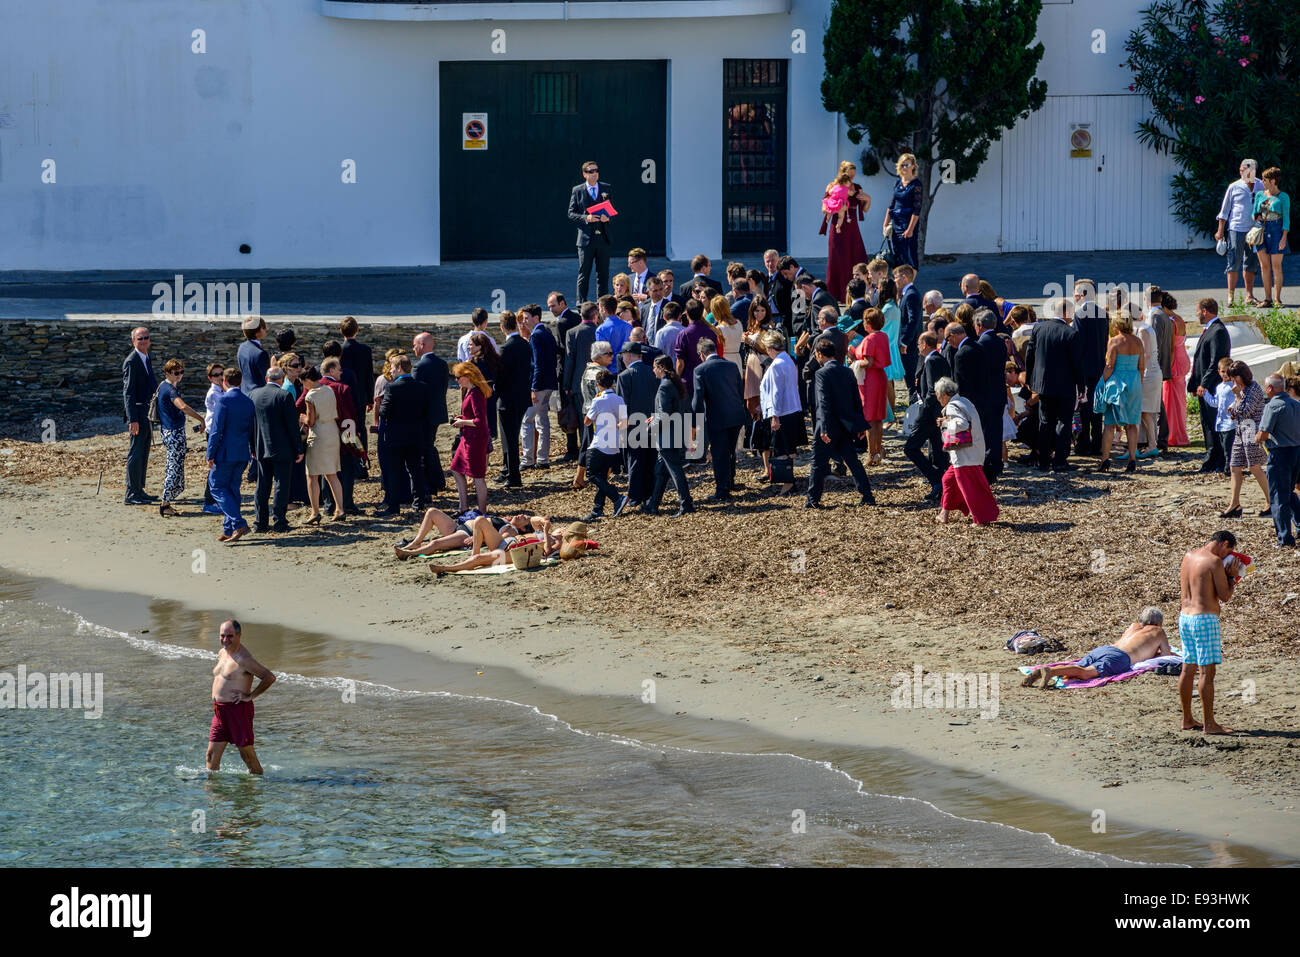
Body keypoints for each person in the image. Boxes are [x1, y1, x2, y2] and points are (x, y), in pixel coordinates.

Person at [1178, 531, 1240, 734]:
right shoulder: (1214, 562)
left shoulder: (1189, 556)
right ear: (1223, 544)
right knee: (1207, 672)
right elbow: (1225, 596)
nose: (1227, 555)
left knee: (1188, 669)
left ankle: (1187, 719)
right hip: (1204, 620)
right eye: (1229, 550)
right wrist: (1232, 577)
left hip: (1185, 617)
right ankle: (1209, 724)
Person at [1021, 607, 1171, 688]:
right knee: (1086, 673)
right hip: (1120, 657)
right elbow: (1166, 655)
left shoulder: (1133, 627)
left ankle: (1044, 672)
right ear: (1159, 623)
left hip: (1104, 649)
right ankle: (1051, 671)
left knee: (1077, 668)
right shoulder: (1158, 631)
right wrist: (1154, 652)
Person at [806, 337, 874, 509]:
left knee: (818, 462)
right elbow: (856, 399)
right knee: (853, 461)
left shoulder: (821, 373)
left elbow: (823, 402)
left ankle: (813, 499)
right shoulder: (848, 371)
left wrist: (823, 427)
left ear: (820, 354)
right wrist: (859, 424)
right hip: (846, 425)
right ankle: (867, 495)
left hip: (828, 425)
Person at [207, 619, 276, 775]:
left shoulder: (244, 659)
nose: (225, 640)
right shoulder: (222, 652)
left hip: (237, 711)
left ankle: (258, 789)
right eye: (222, 636)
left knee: (247, 757)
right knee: (211, 756)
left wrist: (250, 696)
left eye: (230, 636)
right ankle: (213, 796)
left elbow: (269, 677)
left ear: (239, 635)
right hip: (219, 712)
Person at [1024, 297, 1083, 472]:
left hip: (1043, 384)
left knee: (1045, 422)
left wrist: (1030, 380)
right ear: (1066, 313)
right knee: (1063, 422)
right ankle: (1059, 460)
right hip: (1065, 386)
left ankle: (1043, 461)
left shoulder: (1039, 328)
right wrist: (1081, 385)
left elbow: (1030, 355)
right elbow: (1077, 363)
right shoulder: (1071, 334)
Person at [935, 377, 998, 525]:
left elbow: (962, 423)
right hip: (973, 451)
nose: (938, 399)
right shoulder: (965, 401)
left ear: (944, 394)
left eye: (938, 396)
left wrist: (945, 422)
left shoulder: (952, 406)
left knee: (971, 487)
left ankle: (981, 518)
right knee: (948, 480)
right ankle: (944, 514)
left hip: (964, 454)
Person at [691, 338, 748, 502]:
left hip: (717, 417)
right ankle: (730, 482)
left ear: (702, 354)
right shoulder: (731, 366)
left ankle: (722, 490)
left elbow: (697, 400)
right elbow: (739, 390)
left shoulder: (700, 370)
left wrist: (696, 423)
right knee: (730, 451)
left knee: (718, 453)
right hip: (736, 414)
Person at [250, 366, 304, 532]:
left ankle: (260, 522)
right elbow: (292, 426)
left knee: (262, 485)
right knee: (281, 485)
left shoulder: (253, 394)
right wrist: (299, 448)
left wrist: (252, 446)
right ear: (281, 380)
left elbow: (251, 425)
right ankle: (280, 522)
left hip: (260, 446)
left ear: (267, 379)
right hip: (282, 448)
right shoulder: (284, 395)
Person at [206, 367, 257, 542]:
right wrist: (253, 450)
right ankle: (229, 529)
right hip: (243, 452)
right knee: (233, 489)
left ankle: (238, 523)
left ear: (224, 382)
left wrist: (210, 453)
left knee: (217, 486)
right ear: (240, 382)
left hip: (225, 452)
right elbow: (252, 430)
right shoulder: (248, 401)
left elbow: (216, 430)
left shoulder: (223, 400)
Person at [377, 354, 430, 516]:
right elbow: (426, 411)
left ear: (399, 368)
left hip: (396, 437)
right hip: (415, 435)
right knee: (416, 470)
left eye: (392, 368)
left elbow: (383, 412)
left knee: (394, 471)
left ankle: (394, 505)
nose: (391, 371)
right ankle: (419, 503)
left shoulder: (392, 388)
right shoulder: (421, 387)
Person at [1217, 361, 1271, 518]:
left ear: (1241, 376)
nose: (1232, 381)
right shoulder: (1242, 389)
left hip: (1252, 431)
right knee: (1234, 466)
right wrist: (1235, 404)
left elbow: (1246, 411)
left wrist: (1237, 396)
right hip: (1241, 431)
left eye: (1234, 377)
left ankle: (1271, 501)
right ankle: (1234, 504)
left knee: (1254, 467)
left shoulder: (1254, 390)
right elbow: (1237, 411)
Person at [1092, 312, 1145, 473]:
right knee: (1132, 424)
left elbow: (1110, 366)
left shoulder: (1114, 341)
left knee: (1109, 424)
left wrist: (1102, 383)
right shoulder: (1138, 341)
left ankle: (1105, 459)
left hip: (1118, 383)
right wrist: (1138, 383)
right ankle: (1132, 460)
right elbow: (1142, 366)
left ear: (1116, 325)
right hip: (1134, 382)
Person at [644, 355, 695, 517]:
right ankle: (653, 505)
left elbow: (664, 415)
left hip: (667, 437)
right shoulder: (674, 383)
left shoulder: (664, 386)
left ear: (660, 368)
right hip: (674, 434)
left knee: (675, 472)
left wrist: (650, 428)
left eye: (654, 367)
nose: (653, 371)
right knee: (661, 472)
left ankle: (686, 504)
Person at [904, 331, 952, 502]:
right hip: (938, 413)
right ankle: (942, 486)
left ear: (924, 344)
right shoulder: (939, 358)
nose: (917, 348)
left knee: (910, 448)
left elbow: (932, 391)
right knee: (939, 452)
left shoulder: (931, 360)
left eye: (918, 344)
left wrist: (922, 412)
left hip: (929, 414)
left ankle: (936, 479)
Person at [156, 358, 206, 517]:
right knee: (174, 468)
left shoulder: (163, 386)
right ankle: (165, 503)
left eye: (181, 372)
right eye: (176, 373)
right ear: (168, 373)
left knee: (173, 465)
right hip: (174, 432)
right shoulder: (170, 390)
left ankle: (167, 501)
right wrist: (201, 419)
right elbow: (182, 406)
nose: (179, 375)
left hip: (168, 431)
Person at [759, 330, 806, 496]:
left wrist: (774, 416)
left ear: (771, 347)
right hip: (793, 408)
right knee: (790, 448)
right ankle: (789, 479)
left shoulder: (777, 364)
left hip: (783, 411)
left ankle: (787, 483)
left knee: (782, 449)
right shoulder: (788, 359)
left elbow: (776, 393)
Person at [1256, 372, 1300, 547]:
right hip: (1297, 451)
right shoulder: (1296, 404)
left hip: (1280, 454)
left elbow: (1264, 434)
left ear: (1269, 388)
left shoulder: (1272, 406)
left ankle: (1284, 538)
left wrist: (1257, 437)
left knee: (1278, 497)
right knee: (1289, 492)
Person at [1189, 298, 1233, 473]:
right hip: (1205, 386)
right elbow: (1199, 361)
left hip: (1213, 387)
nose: (1197, 314)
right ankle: (1212, 456)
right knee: (1207, 422)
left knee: (1214, 422)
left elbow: (1215, 362)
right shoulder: (1210, 330)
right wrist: (1194, 385)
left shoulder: (1218, 331)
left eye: (1198, 311)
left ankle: (1217, 458)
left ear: (1205, 311)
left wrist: (1204, 385)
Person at [1215, 158, 1265, 304]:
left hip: (1255, 230)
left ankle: (1249, 295)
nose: (1243, 172)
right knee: (1233, 262)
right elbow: (1224, 211)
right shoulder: (1234, 186)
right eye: (1242, 170)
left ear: (1254, 171)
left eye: (1247, 170)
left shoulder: (1261, 185)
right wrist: (1220, 231)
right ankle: (1231, 296)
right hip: (1236, 229)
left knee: (1251, 262)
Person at [300, 366, 345, 525]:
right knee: (332, 473)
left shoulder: (310, 396)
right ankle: (340, 508)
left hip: (319, 433)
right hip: (332, 430)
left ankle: (315, 512)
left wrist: (303, 418)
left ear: (308, 380)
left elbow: (311, 421)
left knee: (312, 475)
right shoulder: (328, 390)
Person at [614, 341, 657, 508]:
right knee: (650, 460)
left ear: (628, 355)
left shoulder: (625, 376)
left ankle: (634, 496)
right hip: (652, 423)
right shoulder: (652, 372)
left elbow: (622, 405)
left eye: (623, 356)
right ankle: (650, 494)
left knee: (635, 462)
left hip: (633, 425)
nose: (623, 359)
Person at [583, 369, 629, 521]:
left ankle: (617, 497)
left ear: (598, 385)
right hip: (614, 444)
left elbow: (587, 421)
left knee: (591, 474)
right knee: (602, 477)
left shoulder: (598, 400)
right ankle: (598, 509)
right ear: (612, 383)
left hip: (599, 443)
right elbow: (624, 422)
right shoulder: (619, 399)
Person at [820, 161, 871, 301]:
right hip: (837, 229)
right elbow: (824, 209)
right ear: (843, 173)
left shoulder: (857, 188)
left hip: (853, 230)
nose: (852, 178)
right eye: (850, 175)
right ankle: (837, 296)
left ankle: (861, 294)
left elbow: (865, 209)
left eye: (854, 175)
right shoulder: (832, 187)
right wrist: (839, 207)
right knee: (838, 261)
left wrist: (868, 199)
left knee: (858, 258)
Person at [446, 361, 491, 515]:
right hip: (468, 437)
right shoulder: (469, 391)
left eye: (458, 377)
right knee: (456, 469)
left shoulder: (476, 393)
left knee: (478, 476)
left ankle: (482, 511)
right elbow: (473, 416)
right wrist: (463, 418)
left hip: (476, 439)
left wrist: (462, 422)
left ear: (467, 376)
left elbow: (480, 421)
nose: (456, 380)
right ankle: (463, 507)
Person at [1071, 279, 1109, 456]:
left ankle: (1083, 443)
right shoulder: (1103, 313)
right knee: (1097, 408)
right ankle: (1098, 443)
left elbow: (1078, 343)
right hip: (1099, 365)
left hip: (1085, 368)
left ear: (1082, 294)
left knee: (1084, 408)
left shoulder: (1079, 314)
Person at [848, 308, 890, 464]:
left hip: (869, 380)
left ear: (869, 323)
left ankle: (871, 454)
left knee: (870, 419)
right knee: (878, 418)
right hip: (880, 376)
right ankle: (878, 452)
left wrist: (854, 360)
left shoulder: (869, 339)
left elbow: (868, 362)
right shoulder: (883, 336)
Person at [410, 332, 449, 497]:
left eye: (414, 345)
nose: (413, 349)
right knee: (429, 446)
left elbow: (415, 392)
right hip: (437, 412)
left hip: (423, 414)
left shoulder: (420, 367)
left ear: (422, 345)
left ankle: (429, 485)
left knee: (424, 449)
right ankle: (436, 481)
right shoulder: (442, 364)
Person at [122, 326, 157, 505]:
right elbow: (128, 392)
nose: (143, 341)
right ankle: (131, 493)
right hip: (138, 414)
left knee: (144, 451)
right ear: (133, 341)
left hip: (147, 413)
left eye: (146, 338)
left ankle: (139, 489)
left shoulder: (146, 357)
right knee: (135, 452)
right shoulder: (131, 361)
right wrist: (132, 419)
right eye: (140, 338)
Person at [496, 311, 531, 488]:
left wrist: (495, 391)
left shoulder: (505, 348)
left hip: (508, 400)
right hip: (522, 397)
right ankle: (509, 472)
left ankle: (513, 476)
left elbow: (501, 377)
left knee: (508, 439)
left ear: (502, 327)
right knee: (513, 435)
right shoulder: (525, 345)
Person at [574, 340, 615, 491]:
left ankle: (579, 477)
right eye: (608, 354)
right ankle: (600, 477)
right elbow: (610, 393)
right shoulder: (601, 373)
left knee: (587, 444)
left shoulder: (587, 370)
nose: (612, 356)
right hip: (600, 415)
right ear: (598, 356)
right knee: (603, 447)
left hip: (588, 411)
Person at [569, 160, 612, 303]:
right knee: (584, 273)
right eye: (590, 171)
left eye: (596, 171)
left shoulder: (606, 188)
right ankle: (581, 304)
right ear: (584, 174)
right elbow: (571, 213)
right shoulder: (578, 190)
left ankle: (603, 304)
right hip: (586, 239)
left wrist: (608, 217)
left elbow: (611, 209)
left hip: (603, 238)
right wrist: (586, 218)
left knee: (603, 274)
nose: (594, 174)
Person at [520, 305, 557, 469]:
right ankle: (543, 459)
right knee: (543, 421)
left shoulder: (535, 336)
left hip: (539, 385)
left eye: (526, 318)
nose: (524, 321)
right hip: (549, 383)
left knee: (527, 420)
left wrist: (533, 388)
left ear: (536, 318)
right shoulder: (548, 333)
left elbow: (537, 364)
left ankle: (528, 459)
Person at [1253, 167, 1290, 307]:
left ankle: (1277, 299)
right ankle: (1267, 299)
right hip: (1262, 228)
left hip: (1277, 229)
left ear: (1273, 181)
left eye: (1265, 179)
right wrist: (1255, 217)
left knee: (1276, 266)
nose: (1262, 182)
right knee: (1264, 266)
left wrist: (1284, 236)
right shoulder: (1259, 195)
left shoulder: (1283, 197)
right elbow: (1254, 212)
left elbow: (1286, 218)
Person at [339, 316, 375, 458]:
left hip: (342, 393)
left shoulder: (339, 350)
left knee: (346, 424)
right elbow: (368, 375)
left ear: (341, 331)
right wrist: (370, 398)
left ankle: (349, 457)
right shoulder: (365, 350)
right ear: (357, 330)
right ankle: (362, 459)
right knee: (360, 426)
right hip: (359, 394)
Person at [1161, 291, 1192, 447]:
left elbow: (1171, 348)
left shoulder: (1171, 322)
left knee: (1171, 399)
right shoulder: (1179, 319)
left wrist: (1167, 367)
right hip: (1183, 357)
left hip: (1175, 361)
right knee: (1179, 399)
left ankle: (1173, 434)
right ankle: (1179, 432)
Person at [882, 153, 921, 269]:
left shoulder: (916, 184)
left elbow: (917, 209)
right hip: (896, 223)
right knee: (898, 255)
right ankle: (899, 285)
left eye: (907, 164)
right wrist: (885, 225)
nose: (904, 167)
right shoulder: (897, 183)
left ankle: (910, 285)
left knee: (910, 255)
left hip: (907, 223)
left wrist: (910, 229)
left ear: (913, 166)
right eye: (902, 164)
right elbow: (891, 205)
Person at [674, 299, 718, 397]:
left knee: (690, 411)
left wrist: (677, 379)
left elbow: (680, 363)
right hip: (708, 378)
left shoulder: (683, 334)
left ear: (687, 314)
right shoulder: (711, 332)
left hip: (689, 380)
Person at [877, 277, 904, 423]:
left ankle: (891, 415)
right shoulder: (893, 306)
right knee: (888, 383)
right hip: (890, 346)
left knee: (887, 384)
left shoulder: (888, 309)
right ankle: (890, 414)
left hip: (886, 348)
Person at [201, 361, 226, 513]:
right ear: (210, 378)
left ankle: (215, 500)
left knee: (220, 465)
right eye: (216, 375)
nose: (220, 377)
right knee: (214, 466)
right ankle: (209, 502)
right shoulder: (214, 393)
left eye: (222, 374)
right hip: (213, 432)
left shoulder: (223, 390)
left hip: (219, 431)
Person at [595, 294, 633, 372]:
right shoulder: (628, 326)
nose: (599, 312)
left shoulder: (601, 329)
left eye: (599, 309)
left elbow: (602, 355)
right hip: (627, 370)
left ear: (603, 309)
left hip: (609, 372)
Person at [237, 317, 271, 395]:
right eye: (263, 327)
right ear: (256, 332)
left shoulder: (242, 347)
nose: (266, 329)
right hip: (258, 395)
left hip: (244, 392)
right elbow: (266, 379)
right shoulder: (261, 353)